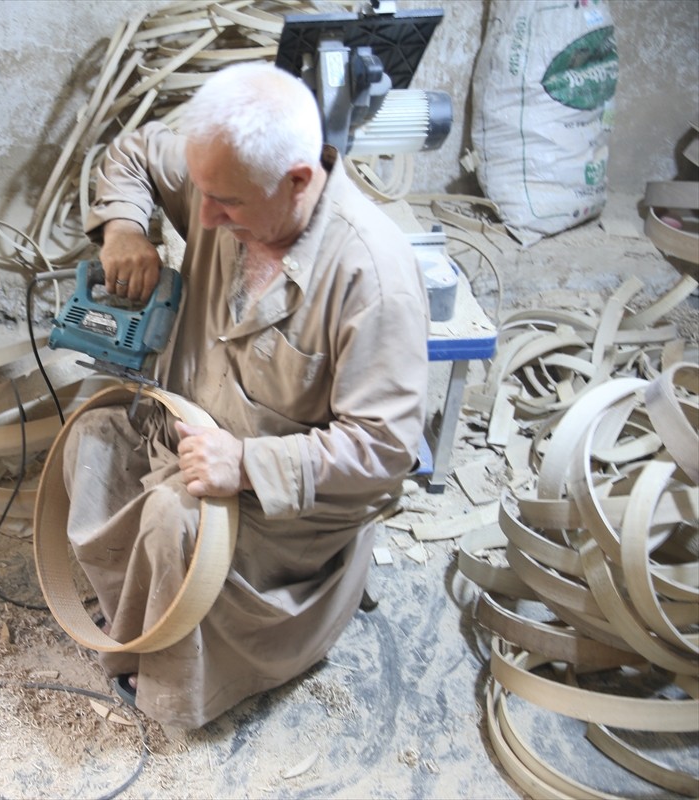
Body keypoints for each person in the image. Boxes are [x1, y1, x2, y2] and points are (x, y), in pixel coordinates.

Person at [61, 62, 429, 729]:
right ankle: (141, 614)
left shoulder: (373, 277)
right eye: (201, 193)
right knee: (91, 436)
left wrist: (249, 464)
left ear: (297, 182)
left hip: (281, 511)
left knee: (177, 518)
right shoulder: (227, 182)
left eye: (226, 203)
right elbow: (135, 152)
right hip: (183, 433)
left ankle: (183, 683)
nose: (202, 217)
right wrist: (124, 228)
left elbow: (385, 449)